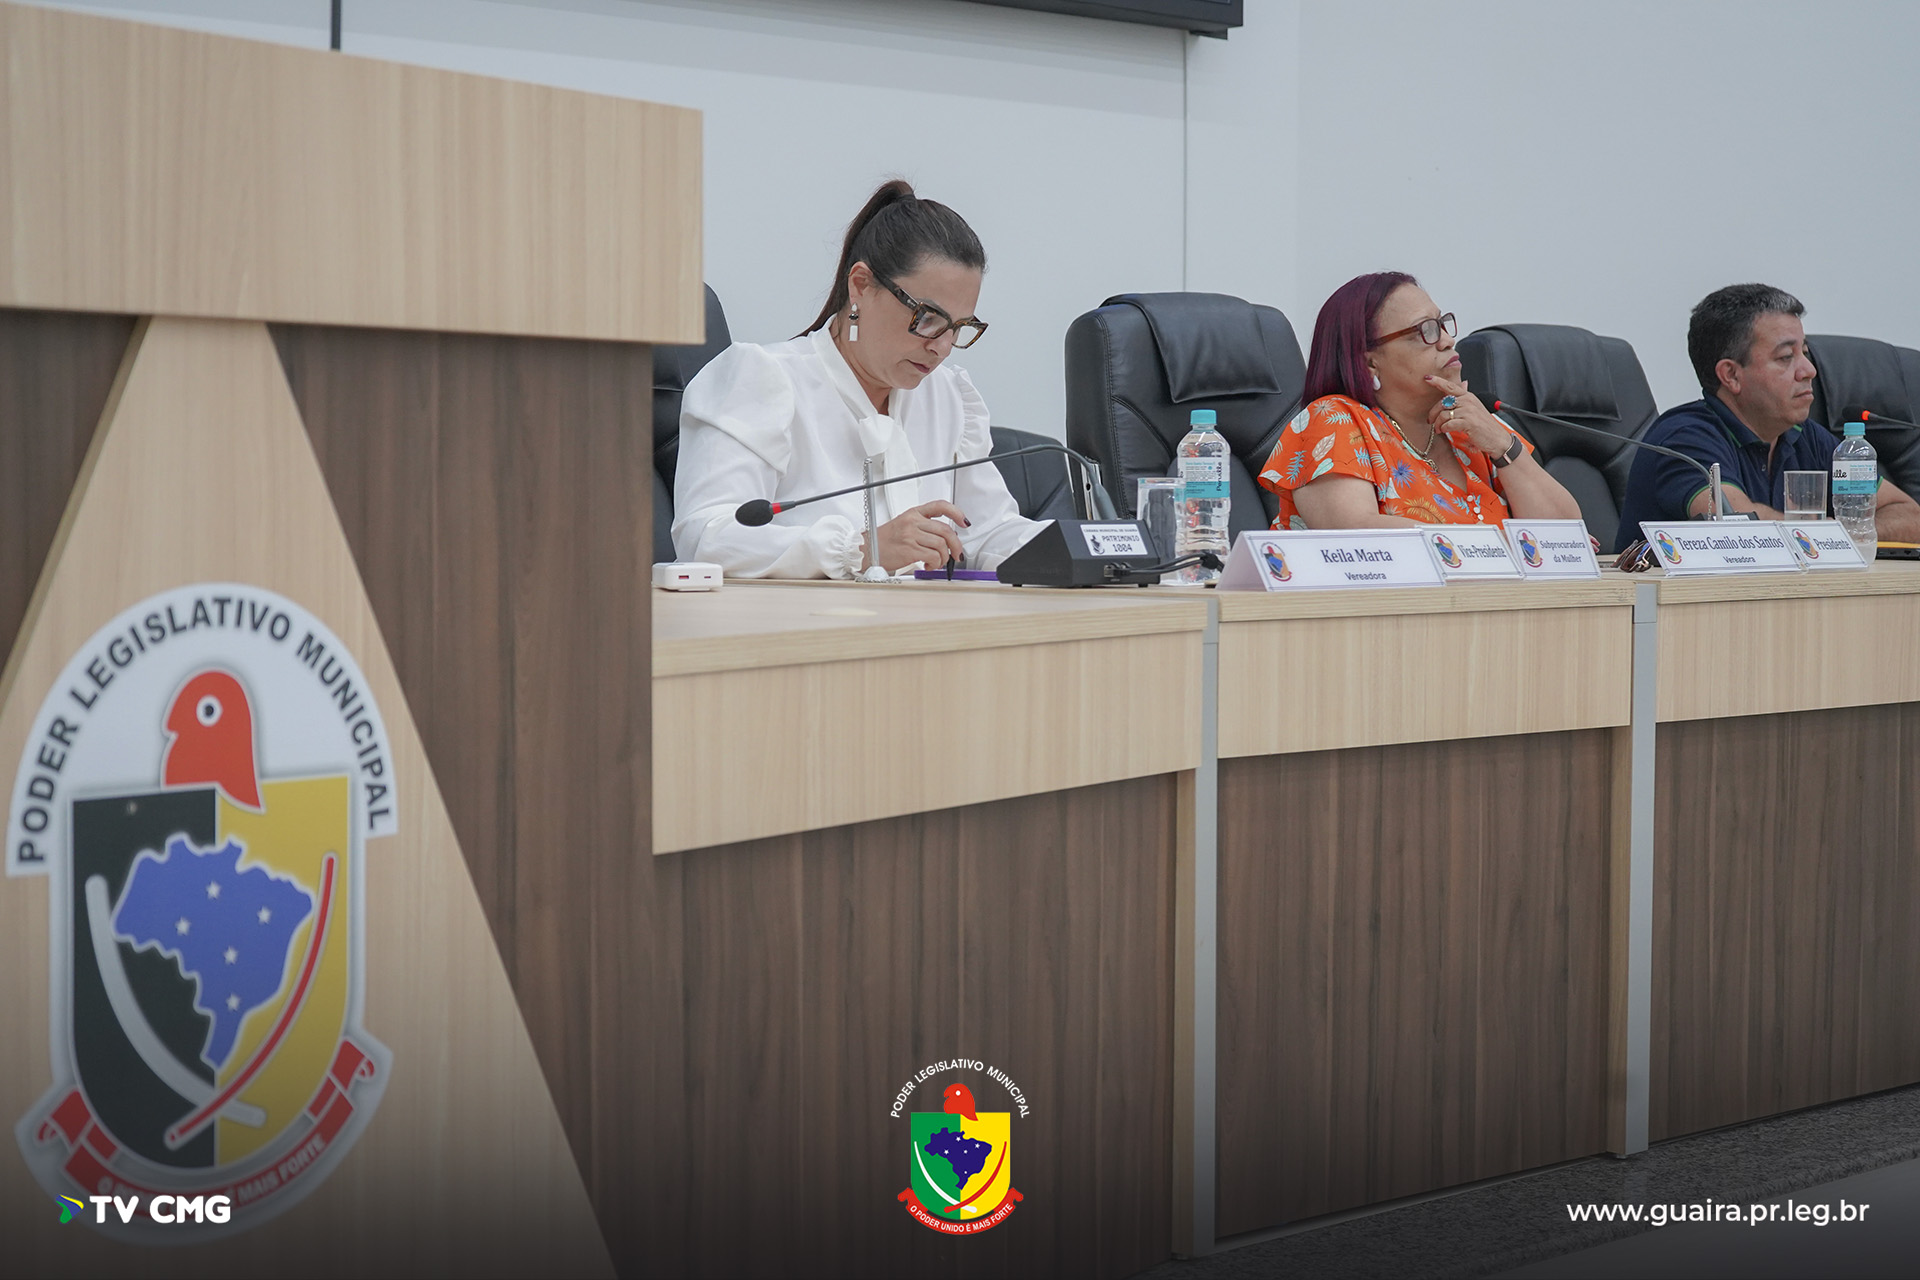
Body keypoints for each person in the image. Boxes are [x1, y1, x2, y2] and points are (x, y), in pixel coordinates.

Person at [673, 181, 1048, 578]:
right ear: (861, 285)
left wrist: (1080, 546)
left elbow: (988, 531)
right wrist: (861, 549)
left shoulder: (949, 396)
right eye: (928, 318)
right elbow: (706, 536)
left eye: (958, 327)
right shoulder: (763, 378)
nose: (942, 348)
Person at [1258, 272, 1581, 529]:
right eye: (1425, 330)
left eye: (1442, 324)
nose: (1448, 340)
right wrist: (1499, 548)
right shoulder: (1335, 418)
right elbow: (1355, 534)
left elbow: (1565, 538)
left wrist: (1503, 446)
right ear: (1370, 362)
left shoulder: (1473, 426)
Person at [1614, 283, 1920, 550]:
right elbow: (1737, 526)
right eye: (1786, 357)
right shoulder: (1685, 437)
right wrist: (1834, 534)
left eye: (1805, 353)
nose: (1809, 371)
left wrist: (1842, 534)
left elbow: (1910, 516)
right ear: (1731, 375)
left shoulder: (1805, 437)